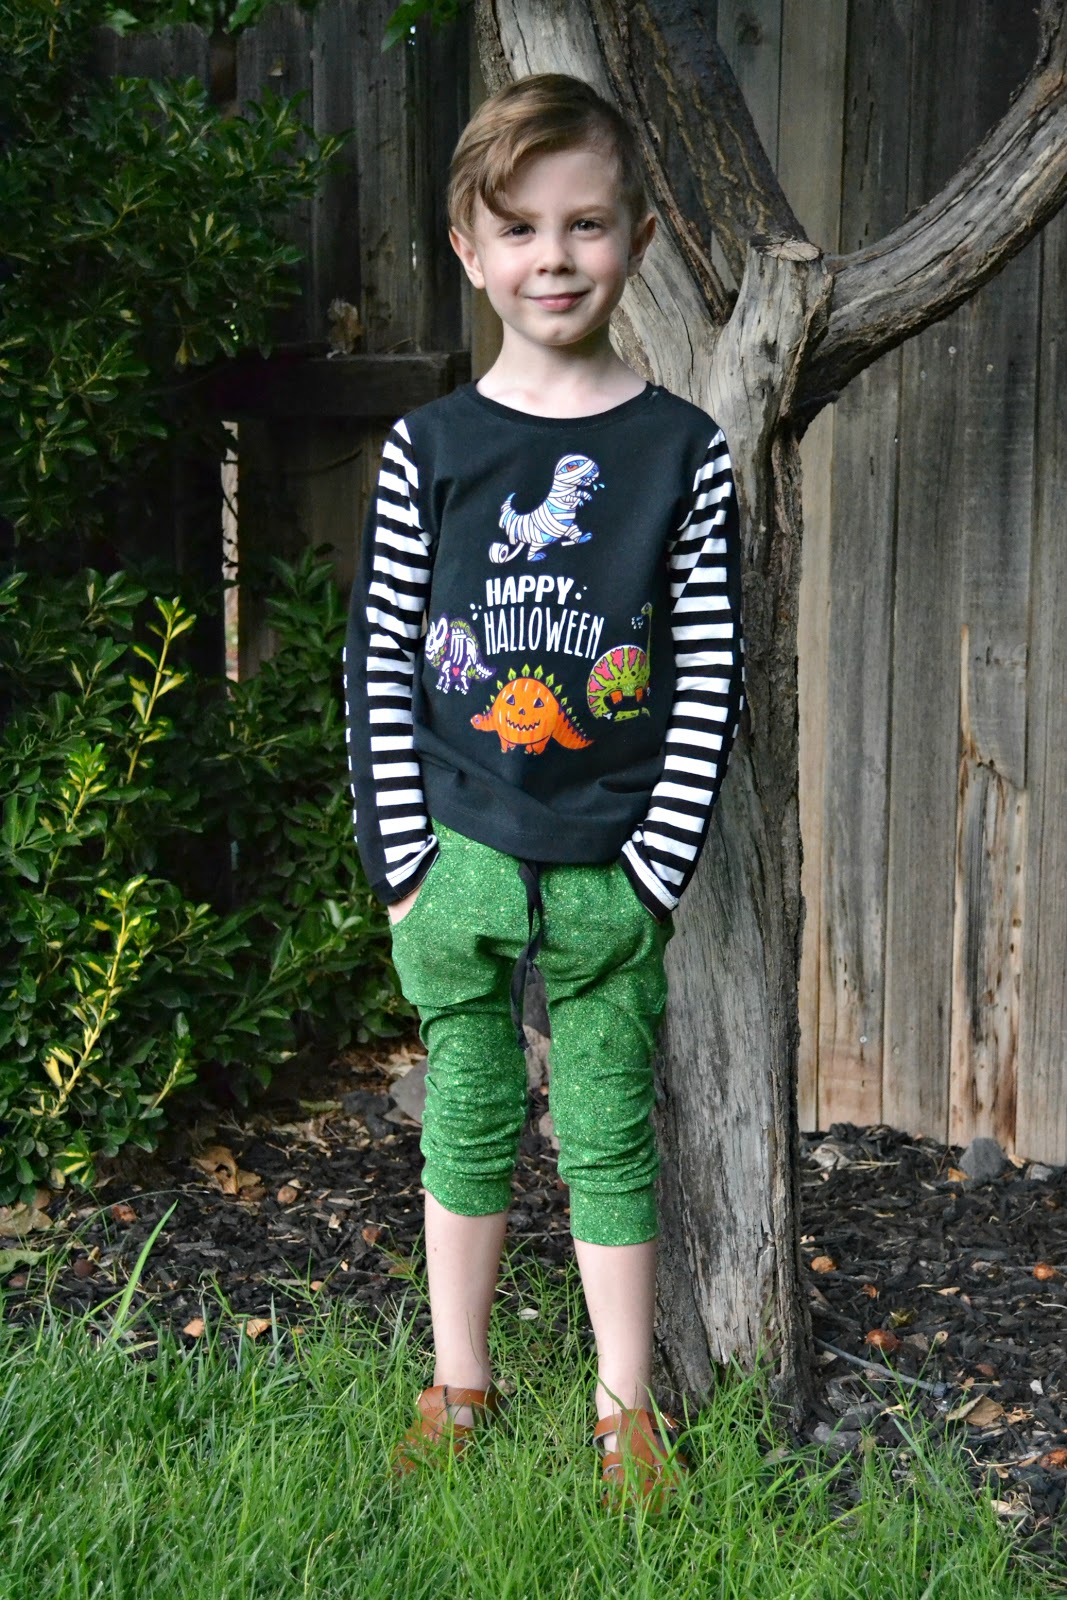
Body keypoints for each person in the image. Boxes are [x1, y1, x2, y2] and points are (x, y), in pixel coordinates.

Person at [344, 72, 744, 1511]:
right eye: (518, 228)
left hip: (605, 863)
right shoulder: (432, 451)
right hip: (458, 845)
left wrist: (652, 872)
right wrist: (404, 863)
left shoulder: (682, 454)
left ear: (639, 237)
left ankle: (624, 1407)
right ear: (469, 248)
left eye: (585, 224)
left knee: (609, 1126)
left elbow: (709, 674)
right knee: (465, 1110)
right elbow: (380, 661)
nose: (554, 258)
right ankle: (459, 1380)